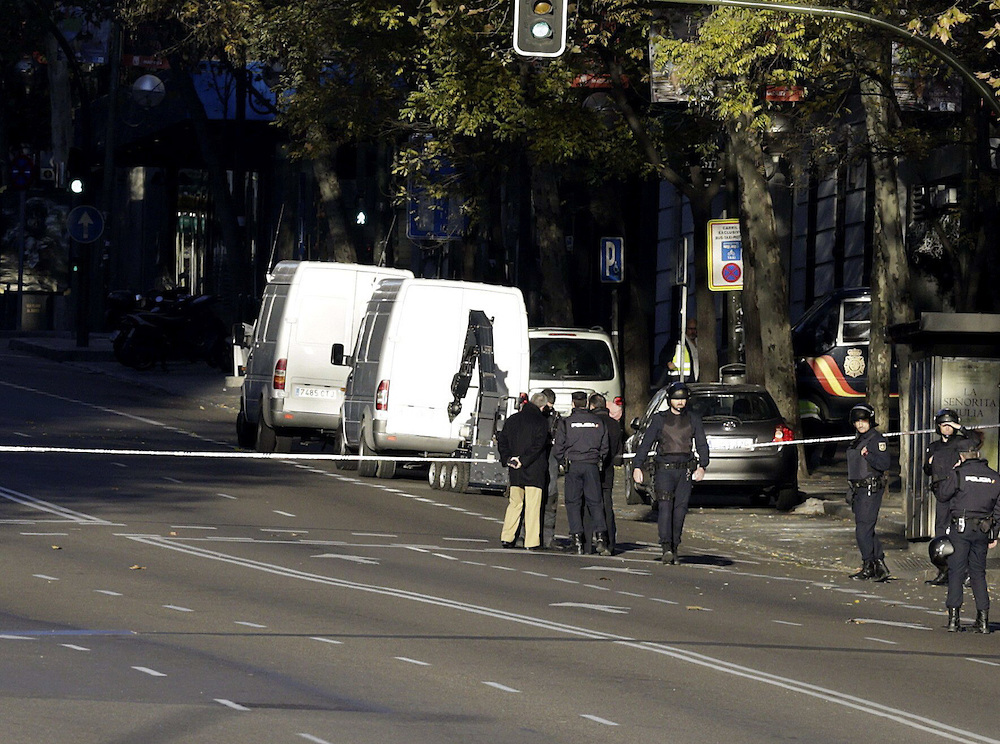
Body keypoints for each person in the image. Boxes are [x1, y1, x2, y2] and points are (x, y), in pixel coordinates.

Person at [631, 382, 709, 564]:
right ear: (669, 400)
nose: (680, 402)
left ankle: (675, 545)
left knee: (680, 510)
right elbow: (646, 444)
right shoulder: (659, 419)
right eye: (676, 399)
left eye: (683, 399)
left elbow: (702, 444)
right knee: (665, 508)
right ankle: (666, 546)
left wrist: (702, 466)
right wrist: (637, 466)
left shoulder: (693, 419)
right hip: (664, 470)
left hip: (685, 471)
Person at [937, 430, 1000, 633]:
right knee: (978, 573)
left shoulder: (959, 474)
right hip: (983, 528)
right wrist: (994, 533)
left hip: (961, 528)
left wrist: (951, 474)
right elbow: (998, 509)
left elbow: (943, 495)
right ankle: (983, 620)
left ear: (962, 456)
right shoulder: (994, 477)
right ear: (978, 454)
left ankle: (954, 618)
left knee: (956, 571)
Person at [553, 390, 610, 556]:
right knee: (595, 502)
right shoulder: (598, 422)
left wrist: (563, 461)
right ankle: (600, 538)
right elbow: (604, 446)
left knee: (573, 503)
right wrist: (598, 459)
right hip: (592, 464)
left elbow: (558, 448)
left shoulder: (566, 423)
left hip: (574, 465)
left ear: (573, 404)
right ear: (586, 403)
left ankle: (577, 541)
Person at [497, 392, 552, 551]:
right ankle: (531, 541)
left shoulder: (513, 419)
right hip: (533, 469)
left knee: (514, 504)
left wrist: (509, 458)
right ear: (542, 406)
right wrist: (524, 460)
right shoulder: (541, 422)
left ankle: (507, 537)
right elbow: (538, 445)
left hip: (515, 468)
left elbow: (503, 441)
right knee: (533, 507)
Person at [845, 403, 892, 582]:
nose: (860, 424)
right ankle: (878, 563)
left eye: (863, 420)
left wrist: (868, 455)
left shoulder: (876, 440)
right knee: (866, 529)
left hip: (870, 488)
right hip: (859, 490)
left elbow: (884, 464)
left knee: (863, 530)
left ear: (870, 420)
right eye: (857, 421)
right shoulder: (858, 439)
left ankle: (868, 565)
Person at [923, 408, 968, 585]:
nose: (947, 428)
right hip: (941, 492)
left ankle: (962, 571)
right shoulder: (934, 447)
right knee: (940, 532)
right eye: (944, 425)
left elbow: (975, 440)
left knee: (959, 532)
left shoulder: (962, 443)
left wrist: (959, 426)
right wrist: (929, 463)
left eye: (950, 425)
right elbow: (926, 470)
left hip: (959, 494)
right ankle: (943, 570)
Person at [582, 393, 623, 554]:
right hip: (608, 470)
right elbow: (618, 451)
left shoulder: (591, 423)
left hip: (591, 467)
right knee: (607, 505)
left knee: (588, 506)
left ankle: (587, 544)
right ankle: (610, 542)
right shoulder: (614, 425)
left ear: (591, 406)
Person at [539, 388, 561, 550]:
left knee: (550, 499)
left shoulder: (556, 418)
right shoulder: (533, 416)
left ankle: (548, 537)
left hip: (550, 460)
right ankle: (526, 535)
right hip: (537, 461)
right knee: (532, 501)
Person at [655, 318, 699, 387]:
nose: (693, 331)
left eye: (695, 329)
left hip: (697, 380)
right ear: (685, 329)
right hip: (682, 380)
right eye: (690, 329)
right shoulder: (678, 341)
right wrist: (668, 363)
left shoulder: (700, 342)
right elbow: (663, 355)